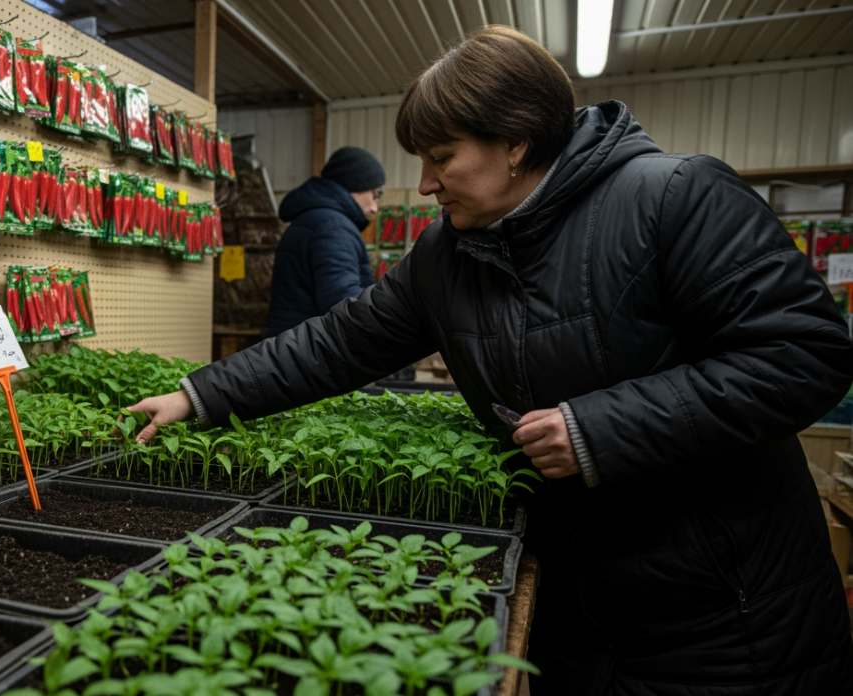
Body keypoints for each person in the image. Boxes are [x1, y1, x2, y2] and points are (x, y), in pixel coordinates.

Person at [129, 25, 853, 695]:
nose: (426, 183)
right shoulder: (448, 254)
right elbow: (339, 341)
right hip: (574, 600)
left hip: (727, 612)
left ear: (515, 143)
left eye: (442, 158)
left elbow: (803, 354)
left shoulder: (675, 197)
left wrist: (598, 430)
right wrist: (200, 395)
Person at [264, 146, 384, 337]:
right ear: (355, 187)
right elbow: (343, 303)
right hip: (311, 349)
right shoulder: (333, 228)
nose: (375, 208)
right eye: (374, 196)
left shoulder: (314, 218)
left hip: (293, 343)